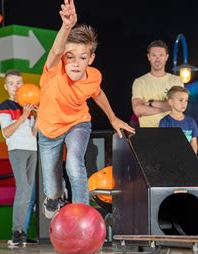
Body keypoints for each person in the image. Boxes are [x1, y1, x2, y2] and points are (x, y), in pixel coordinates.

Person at [36, 0, 135, 219]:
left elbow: (97, 94)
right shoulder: (53, 70)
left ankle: (81, 214)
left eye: (82, 58)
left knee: (74, 163)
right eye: (70, 57)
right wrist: (67, 26)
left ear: (91, 58)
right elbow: (55, 49)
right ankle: (53, 197)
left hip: (77, 123)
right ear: (63, 58)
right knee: (52, 187)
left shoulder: (94, 76)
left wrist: (113, 118)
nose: (75, 63)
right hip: (49, 131)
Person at [0, 69, 37, 246]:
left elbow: (34, 133)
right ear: (6, 87)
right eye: (11, 83)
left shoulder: (28, 105)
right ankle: (16, 231)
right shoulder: (4, 106)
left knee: (29, 193)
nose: (15, 87)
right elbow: (7, 132)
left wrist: (38, 115)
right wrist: (24, 116)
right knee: (22, 190)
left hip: (32, 149)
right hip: (17, 150)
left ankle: (23, 231)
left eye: (18, 83)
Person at [131, 40, 184, 128]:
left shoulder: (176, 81)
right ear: (148, 57)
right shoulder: (139, 82)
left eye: (161, 55)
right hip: (148, 134)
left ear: (166, 57)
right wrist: (167, 106)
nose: (157, 59)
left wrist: (150, 103)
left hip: (172, 132)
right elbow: (137, 110)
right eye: (154, 55)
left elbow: (179, 106)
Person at [159, 86, 198, 154]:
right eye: (180, 100)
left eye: (186, 100)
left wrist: (192, 158)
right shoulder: (164, 122)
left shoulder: (191, 122)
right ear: (170, 102)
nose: (184, 103)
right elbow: (163, 144)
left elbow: (194, 144)